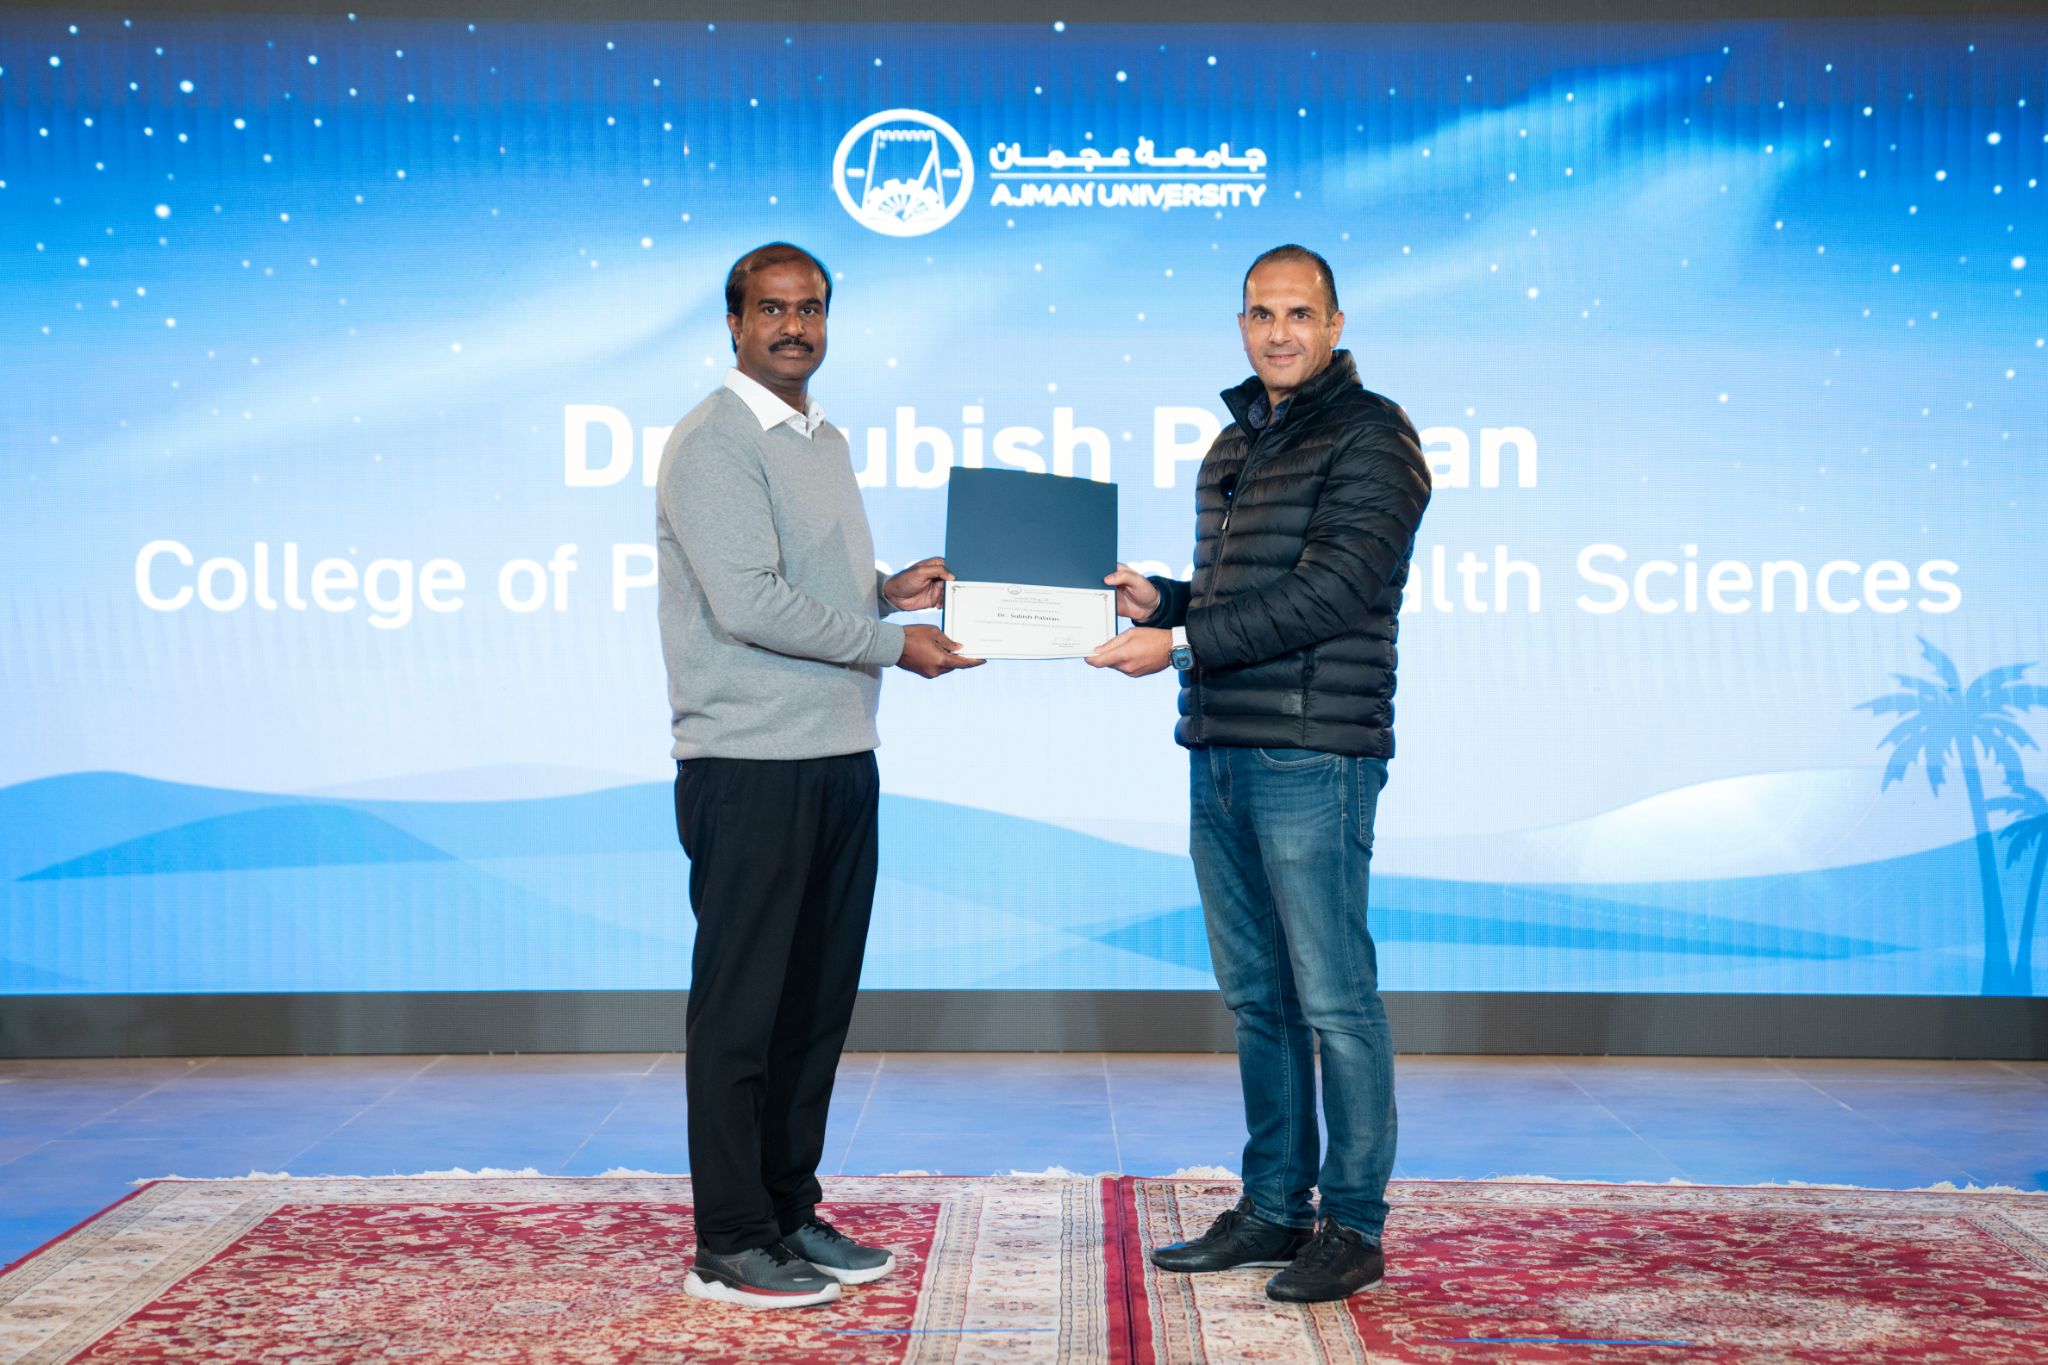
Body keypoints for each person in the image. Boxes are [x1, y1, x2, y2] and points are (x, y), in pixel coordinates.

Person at [1088, 244, 1430, 1303]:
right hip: (1222, 748)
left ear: (1334, 325)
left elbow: (1332, 592)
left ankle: (1353, 1225)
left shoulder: (1373, 436)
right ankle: (1275, 1205)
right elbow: (1247, 598)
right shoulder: (1234, 442)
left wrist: (1182, 643)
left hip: (1312, 754)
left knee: (1333, 998)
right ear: (1241, 324)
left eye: (1298, 313)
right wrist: (1168, 601)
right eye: (1260, 314)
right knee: (1257, 998)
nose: (1277, 332)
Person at [657, 242, 979, 1309]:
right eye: (771, 309)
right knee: (742, 1015)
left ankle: (788, 1210)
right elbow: (748, 601)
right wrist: (895, 644)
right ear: (734, 323)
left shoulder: (819, 436)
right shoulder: (714, 440)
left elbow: (805, 584)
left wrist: (886, 589)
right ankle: (729, 1240)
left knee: (811, 1009)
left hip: (839, 754)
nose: (793, 326)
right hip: (750, 765)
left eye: (809, 309)